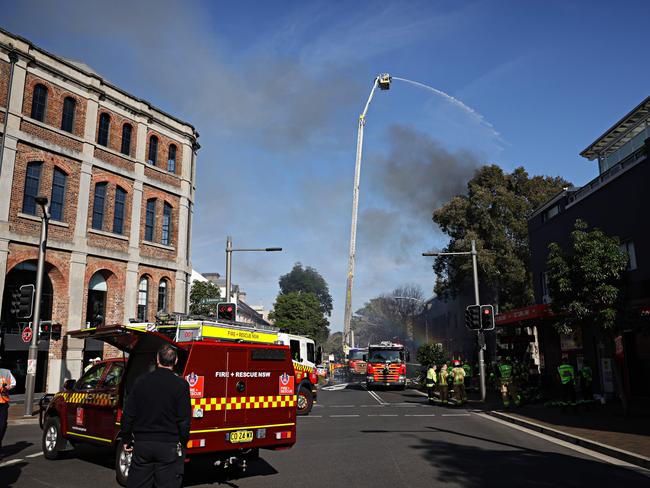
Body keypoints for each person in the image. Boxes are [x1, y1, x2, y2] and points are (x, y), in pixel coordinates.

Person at [121, 344, 191, 488]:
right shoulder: (181, 385)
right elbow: (184, 419)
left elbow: (128, 414)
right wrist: (183, 443)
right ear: (176, 360)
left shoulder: (141, 381)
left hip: (142, 444)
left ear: (157, 359)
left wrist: (126, 438)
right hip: (168, 445)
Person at [0, 363, 17, 459]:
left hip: (3, 404)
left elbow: (13, 383)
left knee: (2, 426)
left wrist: (7, 387)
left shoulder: (6, 372)